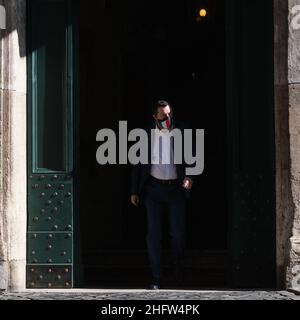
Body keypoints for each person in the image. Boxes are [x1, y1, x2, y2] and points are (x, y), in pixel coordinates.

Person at [130, 100, 194, 290]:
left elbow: (193, 156)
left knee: (177, 234)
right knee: (153, 235)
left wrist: (189, 177)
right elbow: (137, 164)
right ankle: (156, 277)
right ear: (154, 117)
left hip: (175, 189)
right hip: (153, 190)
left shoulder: (183, 130)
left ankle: (178, 270)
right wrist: (134, 190)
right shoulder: (145, 134)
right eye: (163, 115)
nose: (168, 118)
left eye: (169, 114)